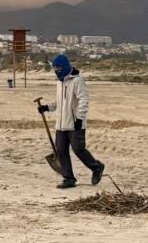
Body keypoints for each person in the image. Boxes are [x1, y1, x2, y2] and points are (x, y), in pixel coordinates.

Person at [37, 54, 105, 189]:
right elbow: (60, 102)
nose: (56, 70)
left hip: (75, 123)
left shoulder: (77, 81)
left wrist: (80, 118)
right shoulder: (59, 82)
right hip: (61, 124)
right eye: (54, 68)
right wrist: (47, 107)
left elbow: (83, 100)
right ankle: (69, 178)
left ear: (65, 66)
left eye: (58, 67)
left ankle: (96, 167)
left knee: (78, 149)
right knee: (61, 150)